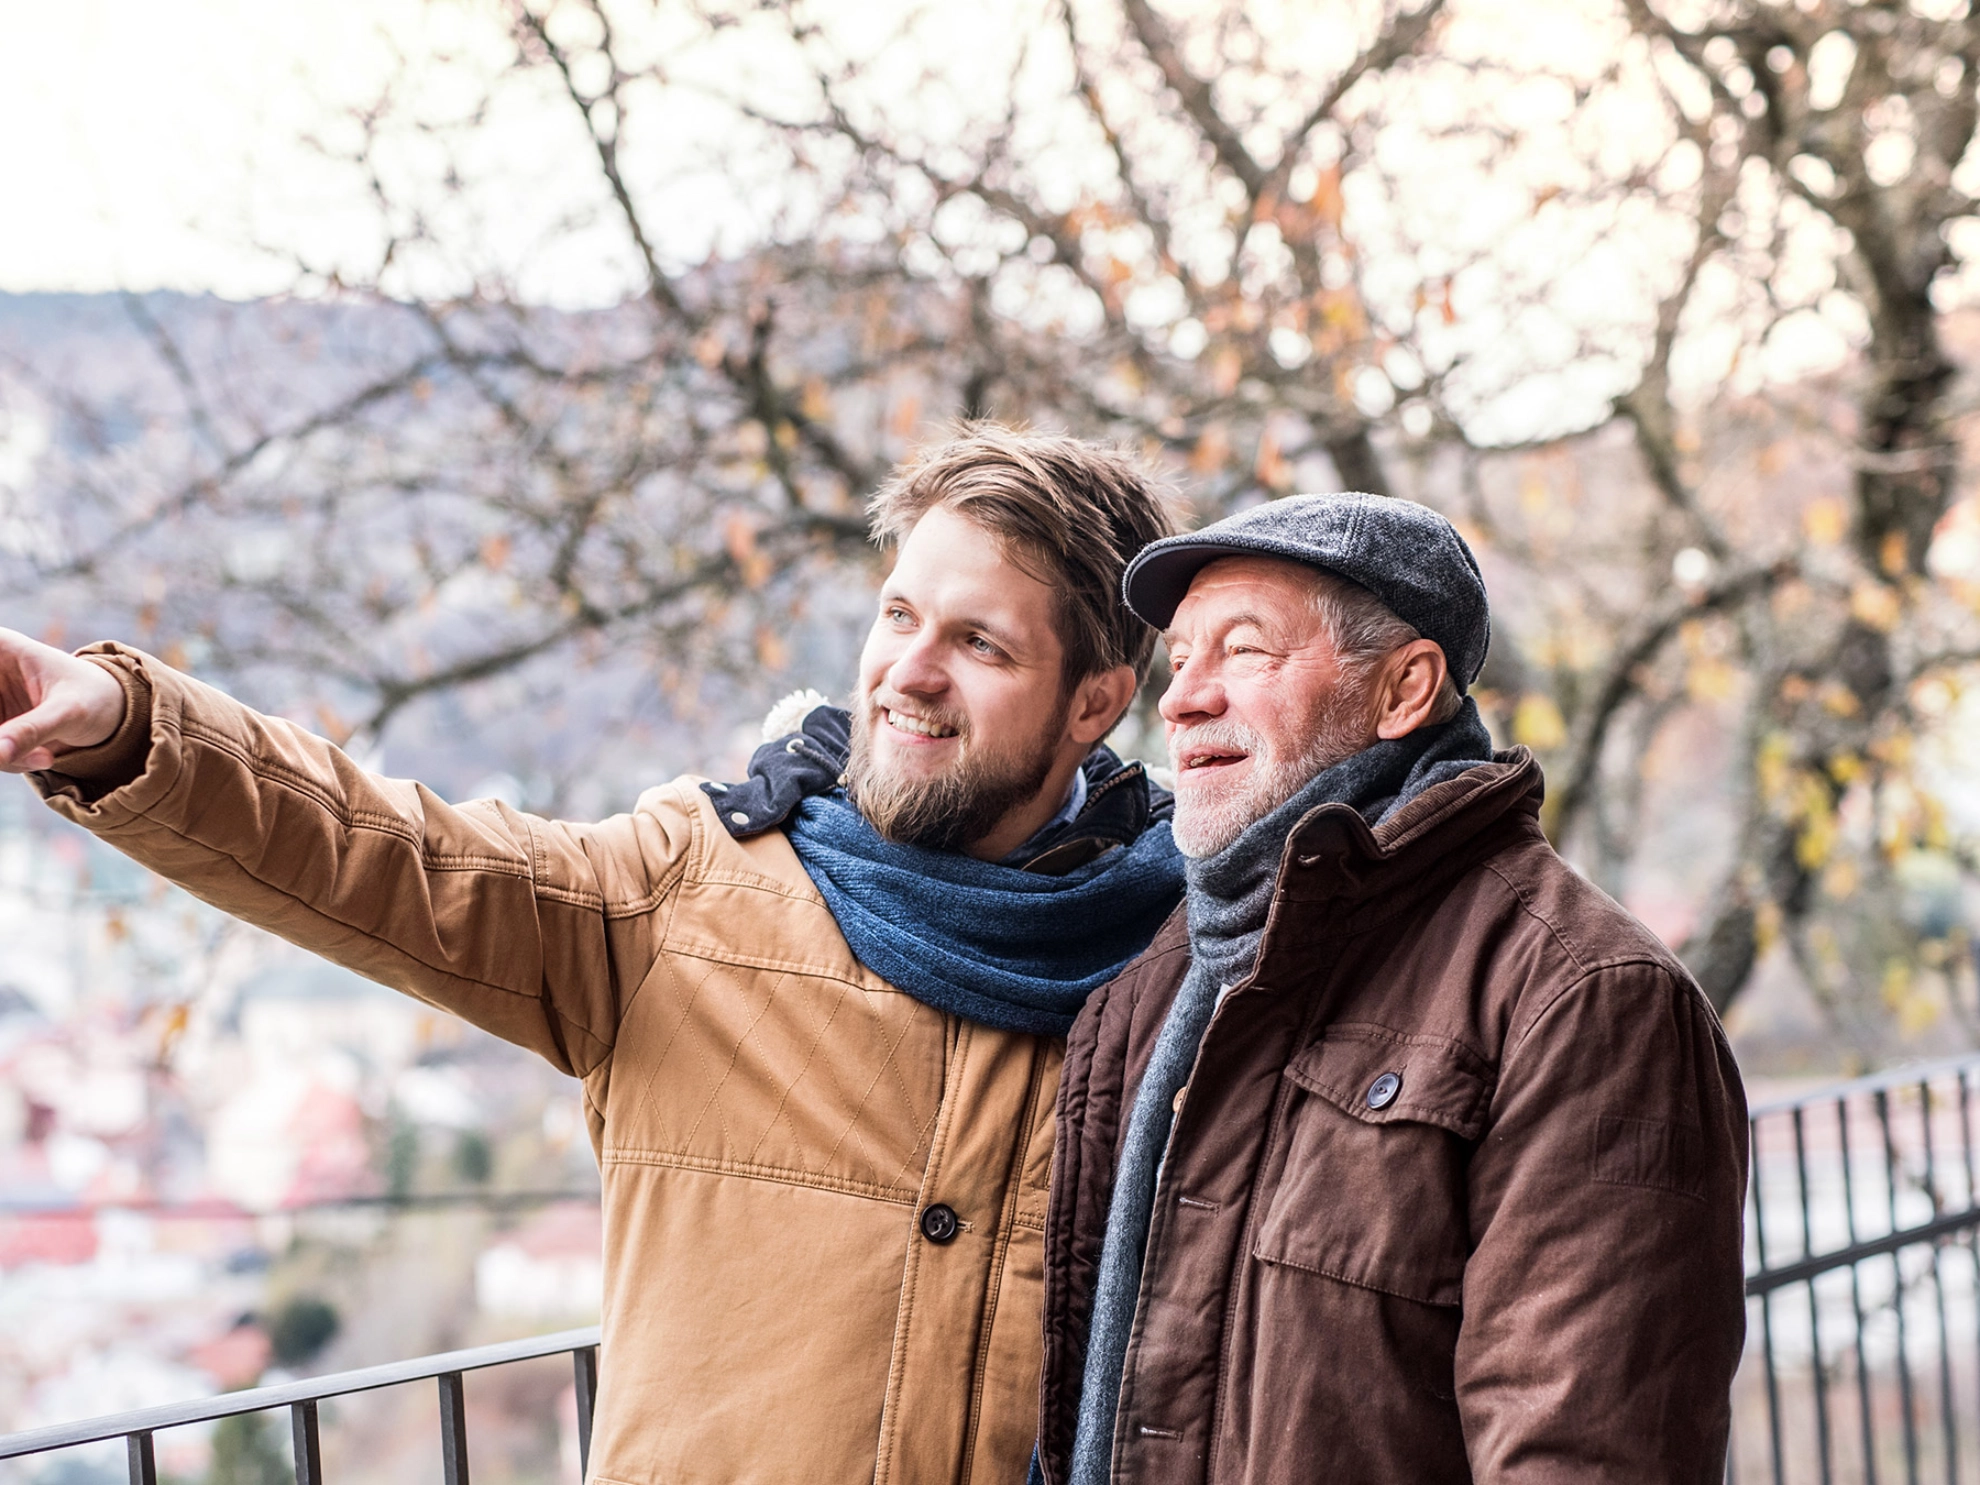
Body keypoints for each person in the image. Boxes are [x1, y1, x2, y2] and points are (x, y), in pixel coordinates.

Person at [0, 426, 1186, 1485]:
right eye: (898, 614)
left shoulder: (1191, 962)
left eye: (978, 642)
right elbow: (386, 855)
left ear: (1095, 702)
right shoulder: (690, 889)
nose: (909, 672)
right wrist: (129, 726)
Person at [1031, 493, 1748, 1485]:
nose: (1183, 698)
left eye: (1243, 652)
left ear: (1406, 689)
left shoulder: (1583, 995)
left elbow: (1586, 1457)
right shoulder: (1157, 982)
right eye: (1180, 656)